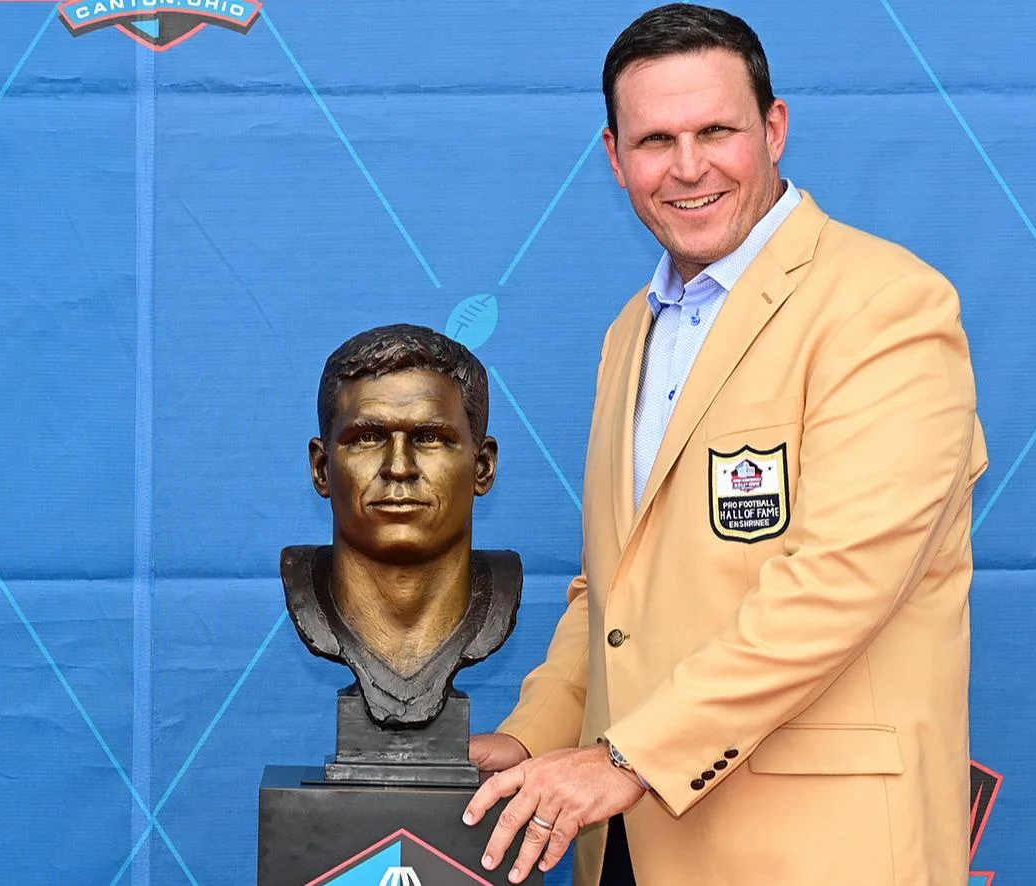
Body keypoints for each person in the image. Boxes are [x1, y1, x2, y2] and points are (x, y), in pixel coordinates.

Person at [463, 5, 989, 884]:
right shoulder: (630, 332)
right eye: (655, 140)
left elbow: (838, 585)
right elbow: (613, 590)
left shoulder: (885, 305)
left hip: (817, 853)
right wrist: (531, 736)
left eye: (716, 130)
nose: (687, 167)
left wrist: (624, 759)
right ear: (613, 157)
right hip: (629, 849)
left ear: (774, 129)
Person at [282, 323, 521, 728]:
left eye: (429, 437)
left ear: (483, 467)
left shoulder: (497, 597)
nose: (398, 468)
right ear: (321, 469)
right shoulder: (308, 596)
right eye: (367, 438)